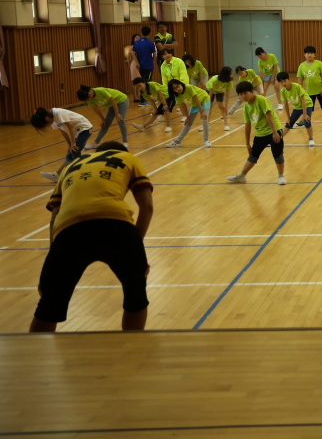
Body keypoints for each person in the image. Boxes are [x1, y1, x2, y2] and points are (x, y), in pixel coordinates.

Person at [29, 141, 153, 333]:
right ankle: (133, 349)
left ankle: (32, 358)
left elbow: (54, 216)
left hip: (69, 230)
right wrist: (136, 247)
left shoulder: (70, 167)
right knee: (135, 295)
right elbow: (147, 205)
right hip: (116, 224)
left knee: (49, 303)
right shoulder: (128, 158)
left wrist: (53, 260)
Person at [226, 81, 286, 185]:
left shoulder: (261, 100)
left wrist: (275, 133)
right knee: (253, 154)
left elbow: (269, 116)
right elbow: (247, 125)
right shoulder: (246, 107)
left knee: (278, 154)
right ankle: (241, 176)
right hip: (260, 134)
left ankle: (281, 176)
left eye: (245, 93)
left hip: (273, 131)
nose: (243, 96)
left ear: (252, 92)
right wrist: (247, 143)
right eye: (240, 94)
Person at [31, 107, 93, 183]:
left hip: (84, 129)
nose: (47, 126)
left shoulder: (58, 113)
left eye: (46, 125)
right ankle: (57, 175)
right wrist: (69, 144)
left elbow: (70, 127)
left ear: (47, 119)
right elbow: (63, 130)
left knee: (75, 150)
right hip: (77, 131)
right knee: (71, 151)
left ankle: (80, 173)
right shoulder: (52, 118)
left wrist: (73, 143)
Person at [165, 79, 212, 149]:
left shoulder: (188, 87)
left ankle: (206, 141)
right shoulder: (177, 96)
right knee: (188, 123)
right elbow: (182, 106)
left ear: (180, 84)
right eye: (175, 88)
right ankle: (177, 142)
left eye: (178, 86)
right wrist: (187, 117)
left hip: (204, 100)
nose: (178, 89)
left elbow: (196, 99)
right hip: (194, 104)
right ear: (173, 90)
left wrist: (201, 112)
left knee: (204, 120)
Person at [297, 45, 322, 130]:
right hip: (309, 91)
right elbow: (300, 79)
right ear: (304, 55)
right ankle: (302, 122)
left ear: (314, 55)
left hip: (321, 90)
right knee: (307, 108)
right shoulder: (302, 66)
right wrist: (299, 91)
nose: (310, 55)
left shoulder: (319, 63)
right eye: (308, 53)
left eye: (312, 53)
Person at [277, 72, 316, 146]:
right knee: (289, 123)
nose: (283, 83)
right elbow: (285, 105)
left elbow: (303, 100)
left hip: (307, 104)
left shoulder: (297, 86)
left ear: (289, 79)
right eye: (281, 82)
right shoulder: (283, 91)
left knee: (307, 122)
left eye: (285, 81)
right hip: (297, 107)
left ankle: (311, 139)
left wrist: (304, 115)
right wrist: (288, 118)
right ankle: (277, 139)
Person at [159, 48, 189, 122]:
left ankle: (186, 115)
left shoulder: (179, 61)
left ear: (171, 54)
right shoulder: (163, 66)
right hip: (172, 86)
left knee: (180, 100)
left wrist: (181, 85)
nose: (167, 55)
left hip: (181, 84)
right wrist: (166, 89)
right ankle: (161, 114)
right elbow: (164, 79)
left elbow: (183, 73)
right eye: (165, 54)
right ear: (162, 56)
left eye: (168, 53)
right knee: (175, 100)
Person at [128, 34, 144, 105]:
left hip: (140, 64)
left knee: (139, 80)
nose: (138, 39)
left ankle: (138, 96)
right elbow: (128, 57)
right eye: (136, 38)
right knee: (134, 80)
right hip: (134, 64)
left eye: (139, 38)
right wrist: (130, 64)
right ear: (133, 39)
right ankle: (135, 96)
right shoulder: (132, 47)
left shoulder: (141, 46)